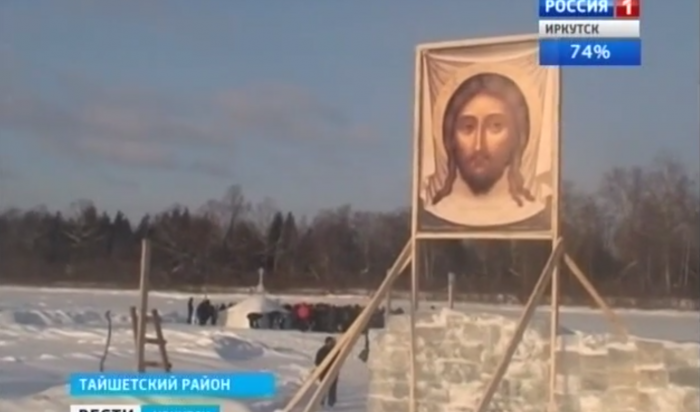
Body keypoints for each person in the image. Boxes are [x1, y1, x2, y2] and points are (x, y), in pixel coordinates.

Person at [426, 72, 533, 208]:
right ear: (450, 137)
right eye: (468, 127)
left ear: (518, 136)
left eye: (495, 126)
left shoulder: (532, 209)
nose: (478, 146)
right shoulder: (438, 209)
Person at [315, 337, 339, 408]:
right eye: (331, 342)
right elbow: (317, 362)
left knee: (333, 387)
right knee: (323, 388)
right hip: (324, 372)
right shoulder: (322, 351)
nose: (332, 344)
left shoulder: (336, 350)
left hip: (333, 371)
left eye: (333, 342)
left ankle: (332, 403)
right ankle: (321, 402)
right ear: (327, 343)